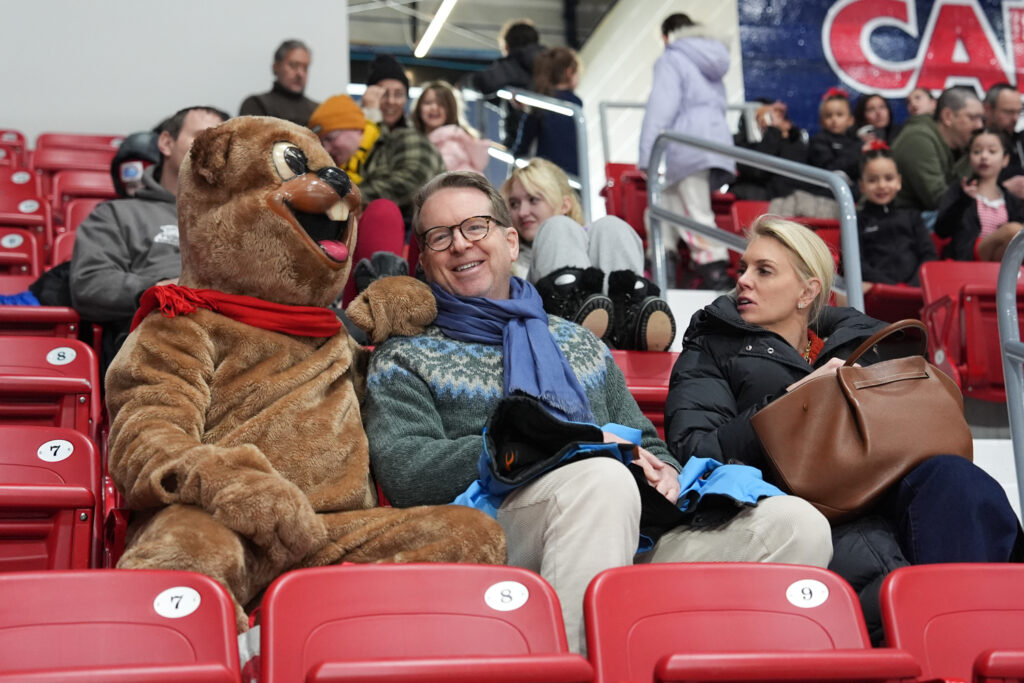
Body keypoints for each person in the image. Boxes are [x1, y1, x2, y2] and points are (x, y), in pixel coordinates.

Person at [363, 171, 833, 655]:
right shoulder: (404, 354)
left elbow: (650, 442)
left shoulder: (579, 343)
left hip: (629, 528)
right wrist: (556, 447)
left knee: (796, 524)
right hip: (488, 533)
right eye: (440, 236)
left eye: (475, 227)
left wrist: (665, 473)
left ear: (510, 241)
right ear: (424, 258)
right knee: (599, 480)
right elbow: (407, 471)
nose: (461, 244)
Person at [665, 215, 1021, 642]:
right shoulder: (710, 347)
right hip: (788, 499)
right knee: (877, 555)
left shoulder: (859, 340)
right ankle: (950, 644)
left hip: (878, 484)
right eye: (743, 268)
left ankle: (978, 641)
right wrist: (793, 399)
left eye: (764, 271)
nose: (743, 280)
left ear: (807, 292)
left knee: (961, 484)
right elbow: (694, 450)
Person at [70, 106, 228, 370]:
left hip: (237, 341)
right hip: (160, 340)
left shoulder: (238, 218)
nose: (213, 150)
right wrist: (158, 289)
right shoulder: (117, 214)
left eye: (222, 145)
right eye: (201, 137)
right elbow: (90, 284)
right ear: (166, 143)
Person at [501, 158, 675, 351]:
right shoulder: (504, 254)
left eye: (533, 200)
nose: (522, 212)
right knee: (557, 227)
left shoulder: (596, 238)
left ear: (564, 205)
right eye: (514, 204)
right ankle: (571, 315)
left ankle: (629, 321)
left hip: (610, 341)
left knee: (612, 226)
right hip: (541, 335)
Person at [638, 12, 735, 291]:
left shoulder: (672, 57)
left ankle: (715, 270)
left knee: (695, 210)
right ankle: (662, 262)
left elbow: (661, 107)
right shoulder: (710, 57)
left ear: (666, 36)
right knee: (662, 203)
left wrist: (647, 154)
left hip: (685, 142)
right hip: (712, 140)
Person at [307, 93, 406, 304]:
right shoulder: (332, 172)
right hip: (348, 269)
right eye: (322, 144)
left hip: (404, 238)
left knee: (382, 212)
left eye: (330, 138)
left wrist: (350, 197)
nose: (327, 149)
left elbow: (411, 182)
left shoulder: (398, 141)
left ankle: (379, 304)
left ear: (355, 128)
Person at [357, 55, 445, 226]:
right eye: (383, 94)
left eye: (398, 94)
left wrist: (350, 196)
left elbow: (409, 183)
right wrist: (370, 117)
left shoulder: (413, 137)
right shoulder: (357, 133)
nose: (391, 101)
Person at [935, 127, 1024, 261]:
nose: (984, 157)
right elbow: (942, 230)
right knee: (1013, 231)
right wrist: (963, 201)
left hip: (1001, 262)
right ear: (969, 158)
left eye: (992, 151)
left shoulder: (1010, 199)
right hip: (967, 257)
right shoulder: (960, 190)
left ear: (1005, 159)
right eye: (977, 151)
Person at [891, 85, 982, 216]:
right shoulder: (918, 139)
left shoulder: (939, 140)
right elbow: (939, 202)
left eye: (981, 119)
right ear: (948, 116)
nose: (979, 125)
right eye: (972, 118)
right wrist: (973, 154)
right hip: (893, 222)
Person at [856, 144, 936, 286]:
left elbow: (929, 256)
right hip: (877, 292)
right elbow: (856, 263)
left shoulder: (912, 217)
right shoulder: (856, 222)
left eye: (889, 178)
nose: (882, 185)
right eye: (872, 180)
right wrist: (888, 286)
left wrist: (913, 286)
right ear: (862, 186)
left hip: (916, 291)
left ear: (898, 182)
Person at [468, 19, 547, 147]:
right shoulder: (551, 63)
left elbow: (484, 82)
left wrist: (462, 85)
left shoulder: (513, 63)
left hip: (520, 137)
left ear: (507, 46)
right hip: (551, 134)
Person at [511, 47, 583, 177]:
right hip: (572, 175)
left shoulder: (538, 104)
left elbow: (522, 146)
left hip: (545, 174)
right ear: (569, 72)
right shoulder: (574, 104)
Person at [411, 80, 491, 173]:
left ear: (451, 109)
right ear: (419, 108)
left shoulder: (453, 145)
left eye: (441, 104)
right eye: (428, 103)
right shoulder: (412, 139)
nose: (434, 107)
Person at [239, 40, 318, 126]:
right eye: (293, 65)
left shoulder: (318, 111)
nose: (300, 74)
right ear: (276, 67)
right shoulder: (256, 104)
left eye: (305, 68)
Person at [807, 88, 862, 203]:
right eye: (828, 116)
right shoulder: (819, 141)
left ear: (850, 120)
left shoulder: (856, 141)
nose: (834, 119)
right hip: (827, 194)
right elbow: (830, 168)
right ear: (821, 121)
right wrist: (858, 151)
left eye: (839, 114)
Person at [982, 83, 1024, 198]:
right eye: (1008, 112)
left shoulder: (1019, 141)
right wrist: (1002, 189)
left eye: (1019, 112)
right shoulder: (973, 142)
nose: (1015, 118)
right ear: (988, 109)